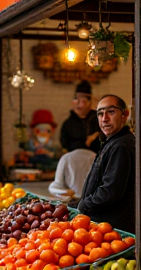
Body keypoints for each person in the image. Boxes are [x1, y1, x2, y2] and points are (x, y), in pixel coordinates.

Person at [78, 94, 135, 233]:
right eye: (100, 113)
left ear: (124, 115)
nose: (105, 119)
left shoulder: (121, 145)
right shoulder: (112, 141)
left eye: (111, 112)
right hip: (103, 226)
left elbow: (110, 192)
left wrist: (84, 204)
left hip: (112, 229)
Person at [60, 80, 101, 154]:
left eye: (83, 101)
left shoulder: (98, 121)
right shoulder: (67, 124)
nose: (79, 105)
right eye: (77, 100)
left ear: (90, 102)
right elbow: (66, 148)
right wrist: (87, 142)